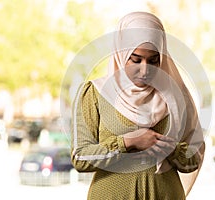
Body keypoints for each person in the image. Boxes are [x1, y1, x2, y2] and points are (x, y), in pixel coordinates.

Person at [71, 11, 205, 200]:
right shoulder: (95, 93)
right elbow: (80, 158)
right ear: (120, 53)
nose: (144, 70)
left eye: (153, 60)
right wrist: (128, 142)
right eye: (136, 59)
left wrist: (170, 149)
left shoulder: (176, 97)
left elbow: (193, 161)